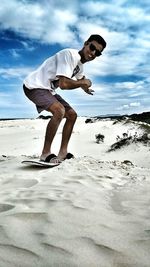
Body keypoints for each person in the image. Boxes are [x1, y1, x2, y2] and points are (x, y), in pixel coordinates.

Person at [23, 34, 106, 163]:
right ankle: (45, 154)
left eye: (98, 53)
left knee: (72, 115)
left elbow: (80, 79)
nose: (93, 53)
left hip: (48, 89)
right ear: (85, 43)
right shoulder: (70, 55)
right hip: (34, 86)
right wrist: (84, 83)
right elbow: (64, 84)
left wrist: (85, 87)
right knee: (59, 111)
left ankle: (63, 153)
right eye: (92, 47)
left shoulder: (80, 66)